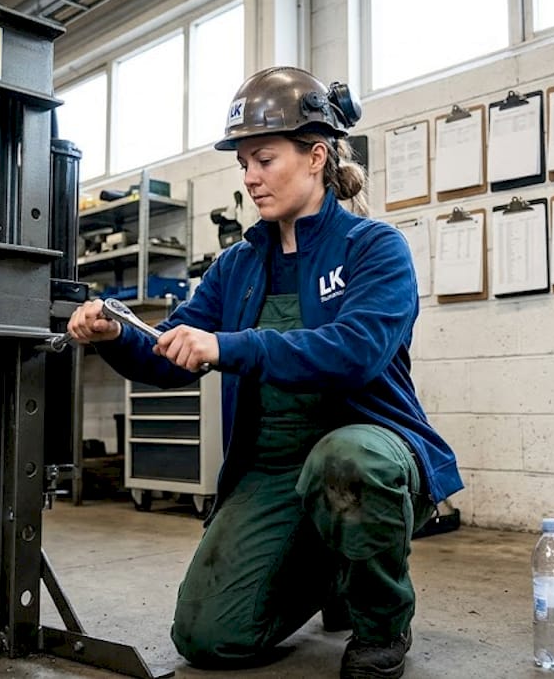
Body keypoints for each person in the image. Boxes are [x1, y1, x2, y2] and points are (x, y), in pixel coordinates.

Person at [66, 66, 463, 679]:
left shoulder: (373, 248)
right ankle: (330, 563)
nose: (250, 178)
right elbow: (169, 356)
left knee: (348, 461)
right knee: (206, 637)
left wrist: (231, 345)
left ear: (316, 157)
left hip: (367, 447)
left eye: (264, 159)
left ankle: (382, 625)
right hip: (272, 469)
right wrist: (117, 335)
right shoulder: (237, 266)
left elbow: (354, 352)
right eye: (243, 163)